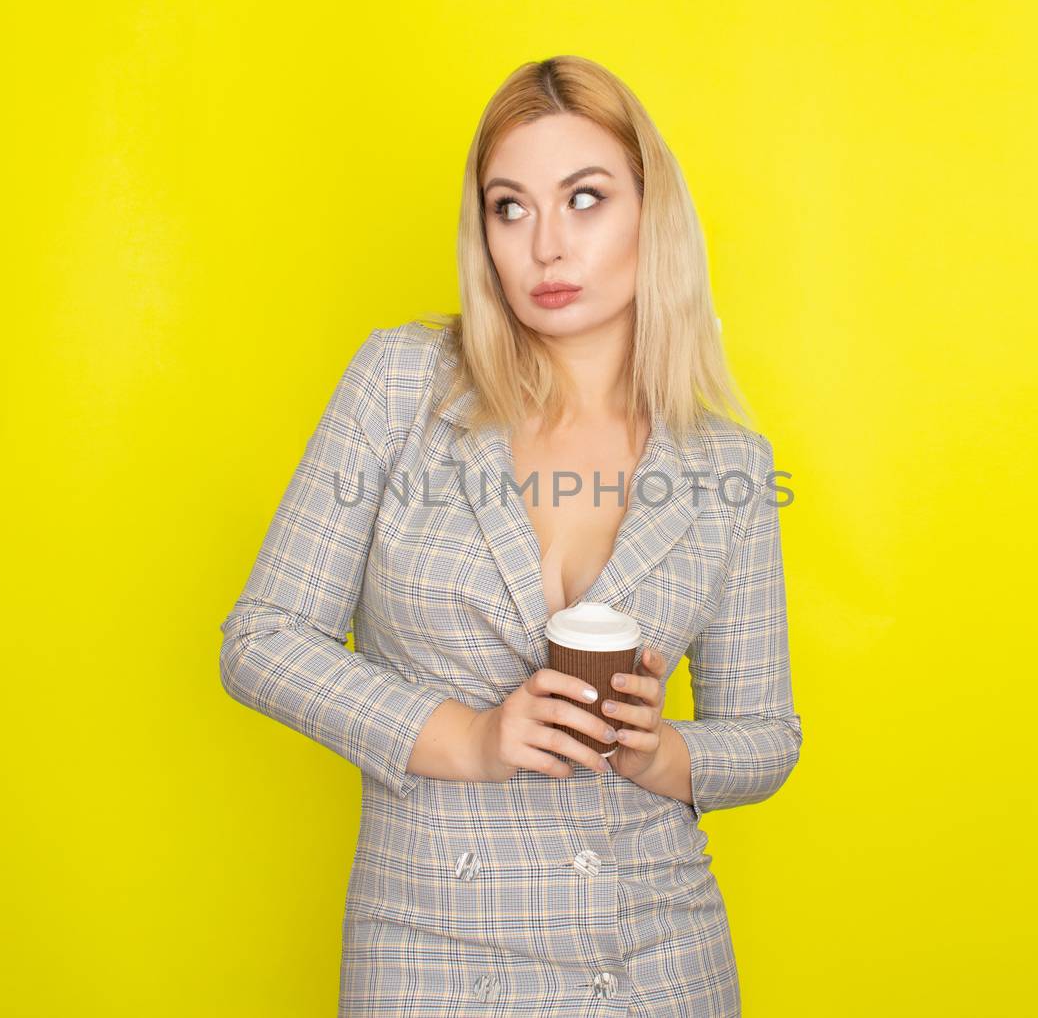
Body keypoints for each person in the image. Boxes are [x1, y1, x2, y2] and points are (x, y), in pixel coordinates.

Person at [219, 55, 803, 1016]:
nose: (546, 247)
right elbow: (263, 639)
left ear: (650, 213)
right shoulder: (405, 383)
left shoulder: (728, 465)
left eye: (585, 198)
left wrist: (660, 753)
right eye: (510, 207)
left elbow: (768, 736)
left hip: (660, 959)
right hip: (434, 954)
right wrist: (469, 737)